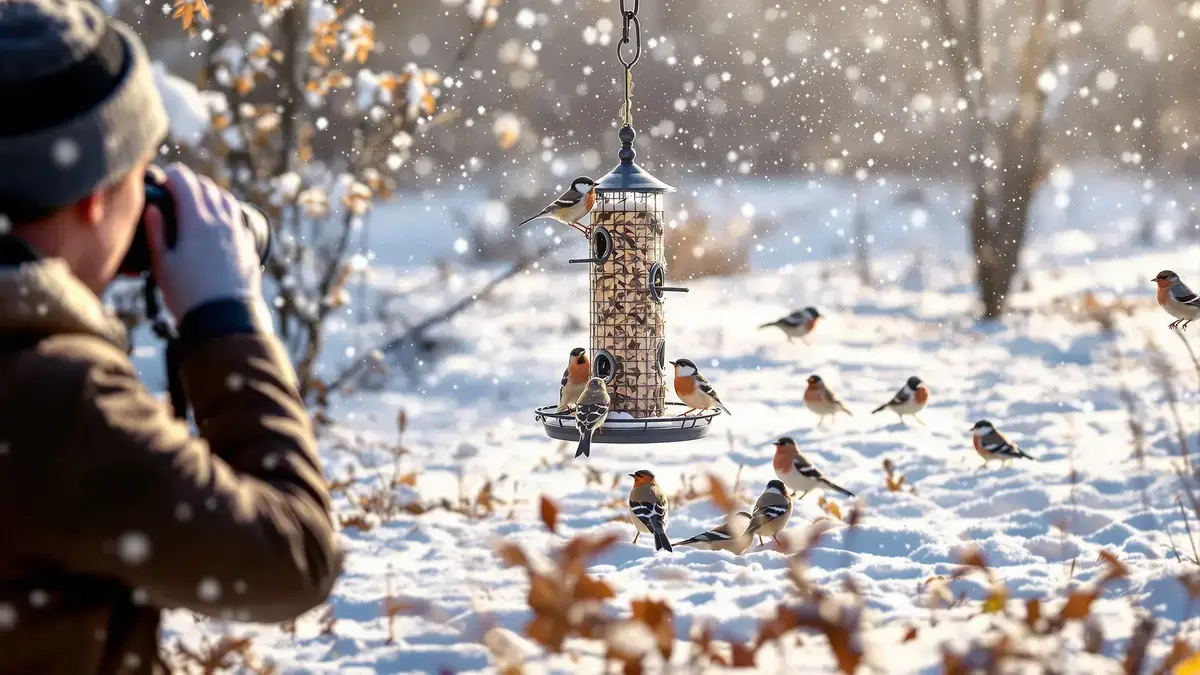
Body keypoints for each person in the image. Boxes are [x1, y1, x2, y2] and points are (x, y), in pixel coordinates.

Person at [0, 1, 343, 673]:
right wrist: (226, 318)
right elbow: (292, 559)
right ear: (94, 199)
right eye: (139, 173)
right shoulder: (58, 402)